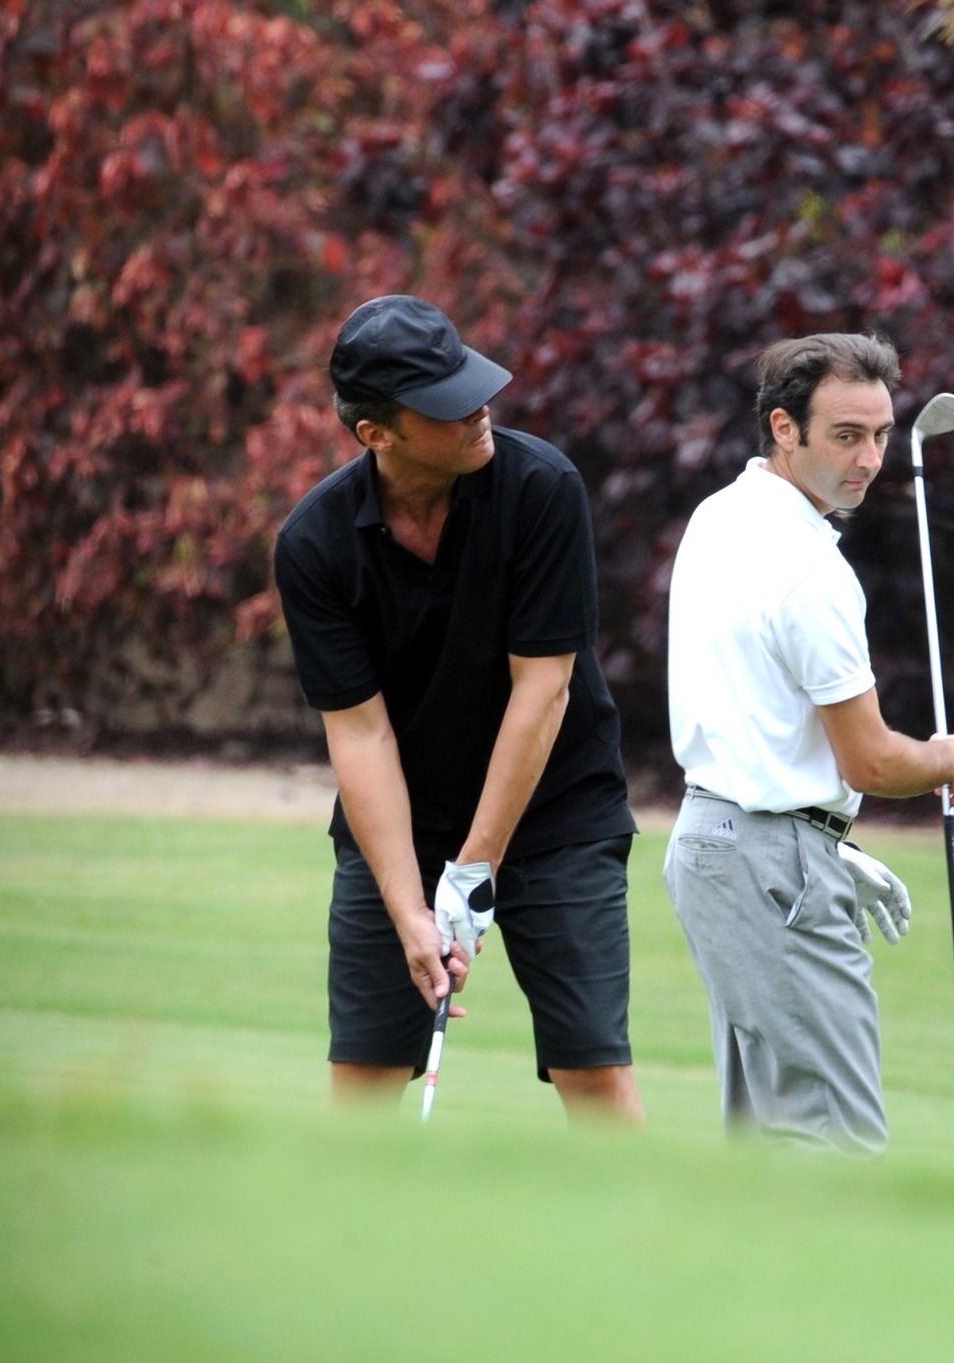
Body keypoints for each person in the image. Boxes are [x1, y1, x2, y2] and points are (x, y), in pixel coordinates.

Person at [274, 294, 644, 1123]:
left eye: (472, 384)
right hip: (404, 822)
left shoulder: (543, 489)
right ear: (377, 434)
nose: (480, 410)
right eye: (445, 405)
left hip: (557, 811)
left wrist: (473, 875)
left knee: (594, 1066)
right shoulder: (316, 544)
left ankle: (650, 1248)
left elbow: (542, 691)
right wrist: (412, 909)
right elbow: (361, 736)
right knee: (365, 1077)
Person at [662, 332, 954, 1155]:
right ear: (784, 427)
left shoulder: (719, 515)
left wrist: (824, 843)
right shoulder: (811, 570)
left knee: (770, 1139)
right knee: (837, 1143)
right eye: (846, 435)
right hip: (769, 862)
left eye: (881, 434)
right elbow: (872, 761)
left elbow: (761, 719)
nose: (871, 459)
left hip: (712, 843)